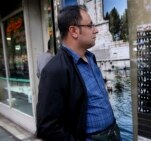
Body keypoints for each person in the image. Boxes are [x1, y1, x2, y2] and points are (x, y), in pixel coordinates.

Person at [36, 5, 121, 141]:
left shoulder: (91, 58)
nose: (96, 30)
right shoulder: (54, 70)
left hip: (113, 134)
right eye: (90, 25)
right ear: (74, 31)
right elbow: (47, 127)